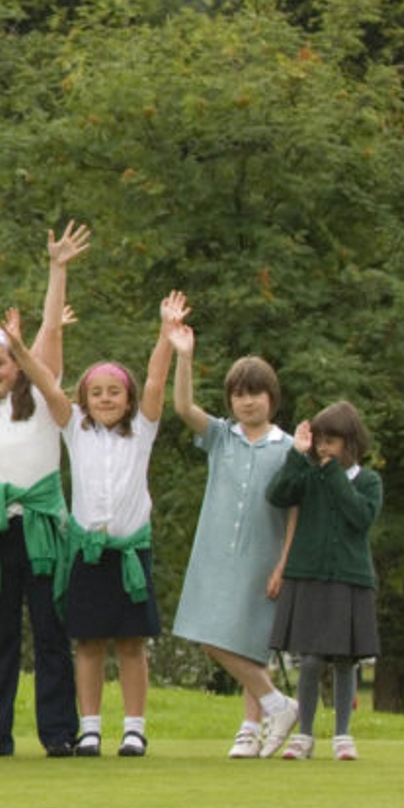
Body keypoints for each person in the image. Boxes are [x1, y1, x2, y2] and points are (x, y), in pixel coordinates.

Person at [5, 300, 176, 756]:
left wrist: (165, 333)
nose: (104, 399)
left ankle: (135, 728)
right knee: (88, 642)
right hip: (87, 554)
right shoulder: (74, 428)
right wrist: (20, 348)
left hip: (128, 554)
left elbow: (158, 380)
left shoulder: (142, 429)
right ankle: (92, 728)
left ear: (128, 398)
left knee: (132, 644)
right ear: (84, 398)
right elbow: (43, 381)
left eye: (113, 392)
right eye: (96, 392)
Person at [0, 226, 85, 758]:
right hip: (1, 527)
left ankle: (59, 734)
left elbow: (49, 333)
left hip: (45, 527)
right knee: (0, 635)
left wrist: (58, 269)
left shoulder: (44, 399)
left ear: (17, 364)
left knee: (51, 632)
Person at [165, 320, 302, 758]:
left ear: (271, 398)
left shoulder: (286, 448)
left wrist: (284, 563)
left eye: (254, 393)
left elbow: (294, 511)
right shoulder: (222, 437)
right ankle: (276, 703)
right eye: (238, 394)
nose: (246, 401)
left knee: (250, 639)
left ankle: (253, 724)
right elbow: (184, 407)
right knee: (205, 631)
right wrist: (184, 356)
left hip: (264, 555)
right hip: (215, 551)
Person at [266, 402, 382, 762]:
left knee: (346, 659)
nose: (323, 449)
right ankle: (304, 735)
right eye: (320, 442)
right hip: (309, 577)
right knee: (312, 659)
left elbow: (359, 517)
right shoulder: (309, 474)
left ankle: (343, 735)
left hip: (349, 579)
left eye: (331, 442)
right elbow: (278, 494)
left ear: (350, 442)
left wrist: (332, 474)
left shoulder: (369, 481)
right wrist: (296, 457)